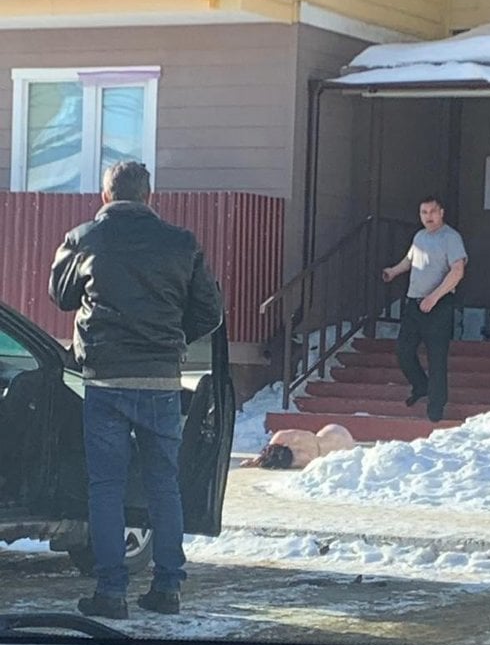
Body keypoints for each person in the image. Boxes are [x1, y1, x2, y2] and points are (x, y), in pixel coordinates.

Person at [49, 161, 222, 620]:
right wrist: (170, 339)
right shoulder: (182, 243)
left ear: (105, 196)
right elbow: (210, 312)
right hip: (160, 381)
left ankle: (110, 592)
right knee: (165, 485)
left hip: (105, 381)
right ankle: (168, 588)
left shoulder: (86, 238)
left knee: (106, 488)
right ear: (150, 196)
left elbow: (60, 295)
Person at [382, 196, 467, 423]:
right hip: (414, 304)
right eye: (424, 212)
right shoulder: (419, 237)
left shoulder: (451, 238)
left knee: (436, 358)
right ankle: (421, 385)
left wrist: (434, 297)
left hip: (439, 305)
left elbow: (457, 271)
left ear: (441, 213)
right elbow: (410, 260)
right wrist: (393, 271)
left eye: (432, 211)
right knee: (403, 350)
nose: (428, 216)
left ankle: (436, 407)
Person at [240, 424, 356, 469]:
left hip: (339, 442)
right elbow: (277, 438)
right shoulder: (295, 440)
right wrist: (257, 460)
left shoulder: (303, 456)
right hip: (338, 436)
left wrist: (257, 460)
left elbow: (276, 440)